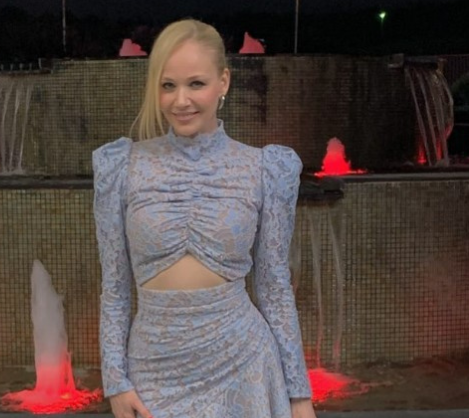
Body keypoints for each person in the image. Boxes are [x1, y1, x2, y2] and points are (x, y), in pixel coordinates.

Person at [93, 18, 315, 418]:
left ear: (223, 82)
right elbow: (115, 287)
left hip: (243, 365)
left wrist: (299, 397)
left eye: (196, 83)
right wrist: (116, 382)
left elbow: (274, 287)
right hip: (154, 372)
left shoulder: (263, 168)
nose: (181, 100)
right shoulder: (121, 167)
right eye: (168, 85)